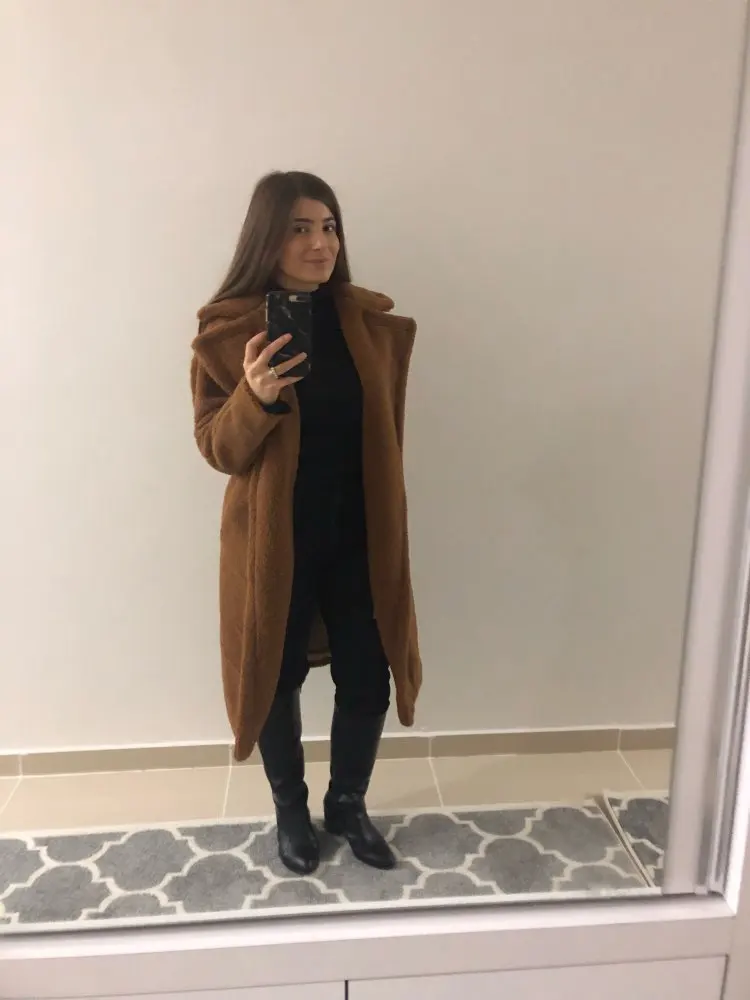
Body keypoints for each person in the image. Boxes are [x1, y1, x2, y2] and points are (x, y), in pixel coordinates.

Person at [190, 170, 422, 875]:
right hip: (275, 540)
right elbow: (218, 449)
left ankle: (347, 803)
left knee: (369, 672)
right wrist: (255, 396)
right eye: (300, 229)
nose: (320, 244)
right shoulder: (228, 333)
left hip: (362, 535)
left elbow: (385, 437)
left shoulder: (370, 328)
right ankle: (290, 809)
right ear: (267, 238)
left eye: (329, 227)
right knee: (275, 673)